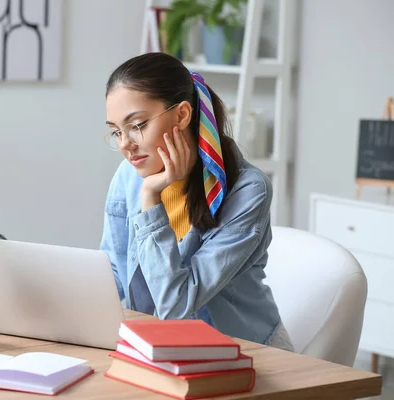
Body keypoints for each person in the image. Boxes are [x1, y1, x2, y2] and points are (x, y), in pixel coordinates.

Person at [100, 52, 294, 352]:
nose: (125, 144)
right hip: (162, 348)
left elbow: (177, 306)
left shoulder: (247, 191)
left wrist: (151, 198)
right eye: (116, 131)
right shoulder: (129, 175)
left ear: (182, 114)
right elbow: (114, 271)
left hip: (246, 354)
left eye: (136, 125)